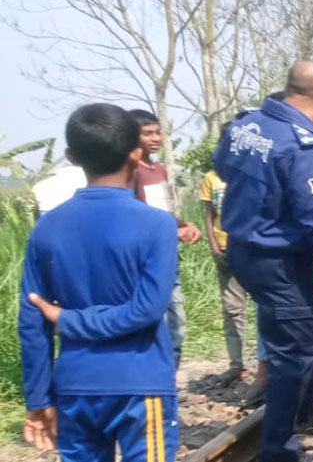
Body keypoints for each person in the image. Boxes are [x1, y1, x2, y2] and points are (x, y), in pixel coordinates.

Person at [19, 104, 179, 461]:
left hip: (76, 385)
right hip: (141, 383)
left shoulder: (47, 228)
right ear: (136, 152)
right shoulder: (157, 225)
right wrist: (68, 320)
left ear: (72, 156)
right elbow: (146, 311)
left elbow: (31, 321)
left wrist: (38, 399)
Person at [214, 62, 313, 462]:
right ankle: (279, 452)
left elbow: (221, 167)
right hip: (279, 260)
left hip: (245, 251)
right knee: (297, 351)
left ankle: (305, 415)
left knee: (308, 335)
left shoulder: (246, 126)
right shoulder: (301, 145)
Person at [128, 109, 201, 371]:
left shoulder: (159, 170)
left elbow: (162, 213)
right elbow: (135, 216)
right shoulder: (131, 172)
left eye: (158, 132)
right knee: (155, 321)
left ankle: (167, 378)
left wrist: (184, 225)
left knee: (177, 322)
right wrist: (173, 232)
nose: (156, 138)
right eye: (148, 133)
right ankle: (154, 378)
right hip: (146, 259)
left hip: (168, 256)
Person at [199, 125, 249, 388]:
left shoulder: (251, 172)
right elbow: (209, 215)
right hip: (225, 250)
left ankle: (268, 363)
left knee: (267, 309)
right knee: (232, 310)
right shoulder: (212, 177)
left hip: (252, 250)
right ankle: (236, 364)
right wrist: (214, 248)